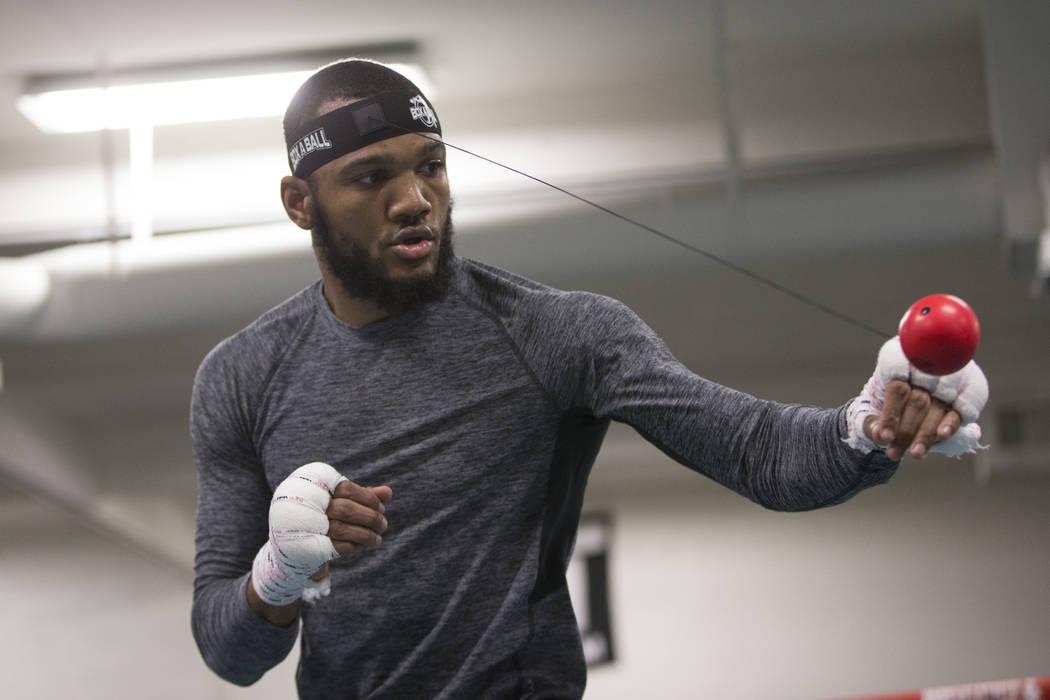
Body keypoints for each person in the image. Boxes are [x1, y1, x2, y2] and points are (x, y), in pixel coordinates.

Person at [190, 59, 987, 699]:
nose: (415, 200)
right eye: (371, 178)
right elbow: (228, 652)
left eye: (431, 167)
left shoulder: (557, 332)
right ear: (300, 203)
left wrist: (869, 423)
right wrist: (278, 574)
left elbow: (756, 450)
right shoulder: (241, 379)